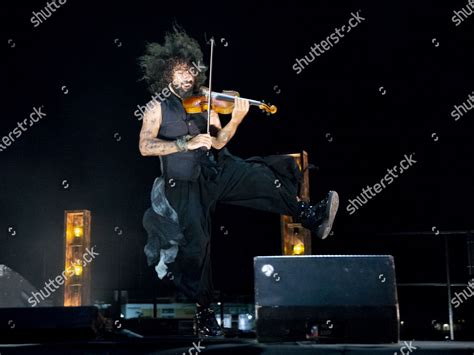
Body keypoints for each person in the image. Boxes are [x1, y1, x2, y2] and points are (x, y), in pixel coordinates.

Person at [138, 27, 339, 337]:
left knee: (261, 177)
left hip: (216, 169)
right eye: (179, 72)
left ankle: (309, 215)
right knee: (199, 247)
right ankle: (204, 313)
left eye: (190, 69)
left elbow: (219, 142)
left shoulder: (206, 101)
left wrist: (235, 120)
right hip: (183, 185)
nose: (187, 76)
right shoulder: (156, 108)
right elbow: (145, 146)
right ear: (167, 76)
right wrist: (184, 144)